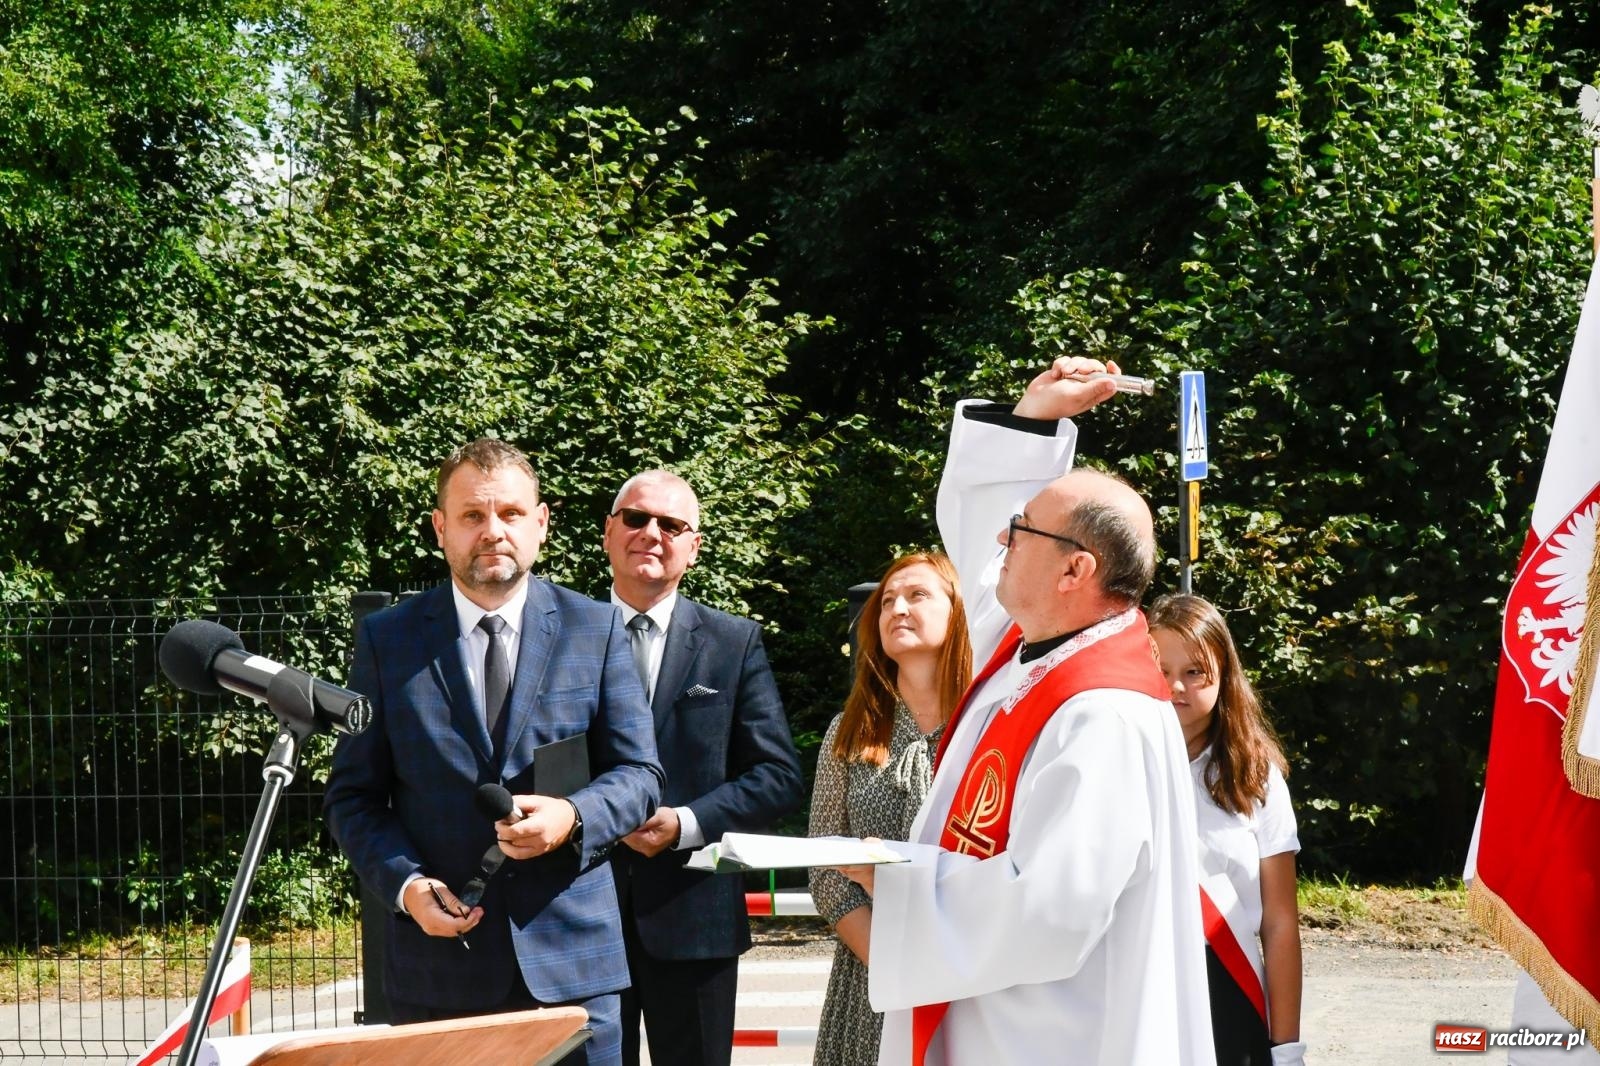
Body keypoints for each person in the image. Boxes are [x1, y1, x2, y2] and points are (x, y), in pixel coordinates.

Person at [841, 356, 1215, 1066]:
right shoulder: (1031, 650)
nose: (998, 543)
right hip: (999, 1020)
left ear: (1076, 572)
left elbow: (1053, 909)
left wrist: (907, 883)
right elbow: (985, 538)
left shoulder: (1103, 709)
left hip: (1053, 1034)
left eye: (1021, 533)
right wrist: (1033, 418)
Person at [323, 438, 663, 1066]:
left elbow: (640, 774)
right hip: (440, 972)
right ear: (440, 528)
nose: (493, 531)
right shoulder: (387, 640)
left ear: (541, 523)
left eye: (510, 513)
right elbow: (354, 797)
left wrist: (575, 817)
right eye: (473, 516)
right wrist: (406, 885)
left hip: (575, 974)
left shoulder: (596, 628)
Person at [600, 469, 805, 1066]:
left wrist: (687, 822)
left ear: (692, 546)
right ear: (609, 532)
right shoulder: (557, 634)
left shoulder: (731, 642)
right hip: (578, 913)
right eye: (636, 519)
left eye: (672, 524)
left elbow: (777, 775)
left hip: (692, 917)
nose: (651, 533)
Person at [808, 552, 974, 1066]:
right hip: (872, 975)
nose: (897, 607)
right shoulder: (850, 730)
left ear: (958, 611)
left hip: (970, 969)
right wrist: (893, 963)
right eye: (886, 601)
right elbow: (826, 867)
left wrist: (938, 964)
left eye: (917, 595)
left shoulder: (987, 727)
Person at [1148, 593, 1305, 1066]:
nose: (1176, 685)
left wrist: (1287, 1048)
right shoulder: (1114, 767)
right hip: (1141, 998)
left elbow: (1279, 924)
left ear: (1224, 675)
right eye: (1162, 669)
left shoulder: (1256, 777)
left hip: (1231, 1004)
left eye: (1194, 671)